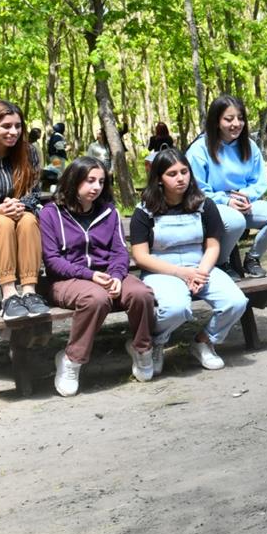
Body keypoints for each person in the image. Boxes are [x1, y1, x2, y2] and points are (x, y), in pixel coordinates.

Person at [41, 156, 156, 395]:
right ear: (74, 180)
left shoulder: (108, 212)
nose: (96, 187)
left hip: (105, 275)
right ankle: (71, 360)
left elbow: (119, 252)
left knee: (141, 293)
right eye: (90, 180)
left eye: (101, 181)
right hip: (66, 280)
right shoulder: (51, 214)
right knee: (95, 298)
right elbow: (52, 261)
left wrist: (116, 275)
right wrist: (90, 275)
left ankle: (142, 349)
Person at [129, 148, 248, 373]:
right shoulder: (144, 211)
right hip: (162, 271)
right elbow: (141, 257)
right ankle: (155, 341)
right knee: (175, 309)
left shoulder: (204, 205)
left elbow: (213, 245)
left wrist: (201, 273)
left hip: (201, 266)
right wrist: (181, 273)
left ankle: (204, 341)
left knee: (236, 302)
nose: (181, 178)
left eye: (184, 172)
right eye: (172, 174)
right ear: (159, 179)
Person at [186, 95, 267, 280]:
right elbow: (196, 190)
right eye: (228, 119)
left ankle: (253, 258)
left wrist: (245, 196)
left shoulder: (250, 146)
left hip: (245, 202)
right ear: (216, 121)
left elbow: (259, 182)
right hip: (211, 205)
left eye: (240, 118)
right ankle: (220, 263)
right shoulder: (199, 149)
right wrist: (227, 201)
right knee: (236, 221)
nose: (236, 124)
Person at [0, 101, 49, 321]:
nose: (14, 132)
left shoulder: (28, 152)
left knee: (29, 220)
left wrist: (20, 206)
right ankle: (9, 295)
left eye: (18, 126)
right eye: (6, 126)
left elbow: (33, 192)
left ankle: (30, 292)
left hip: (18, 215)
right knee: (0, 222)